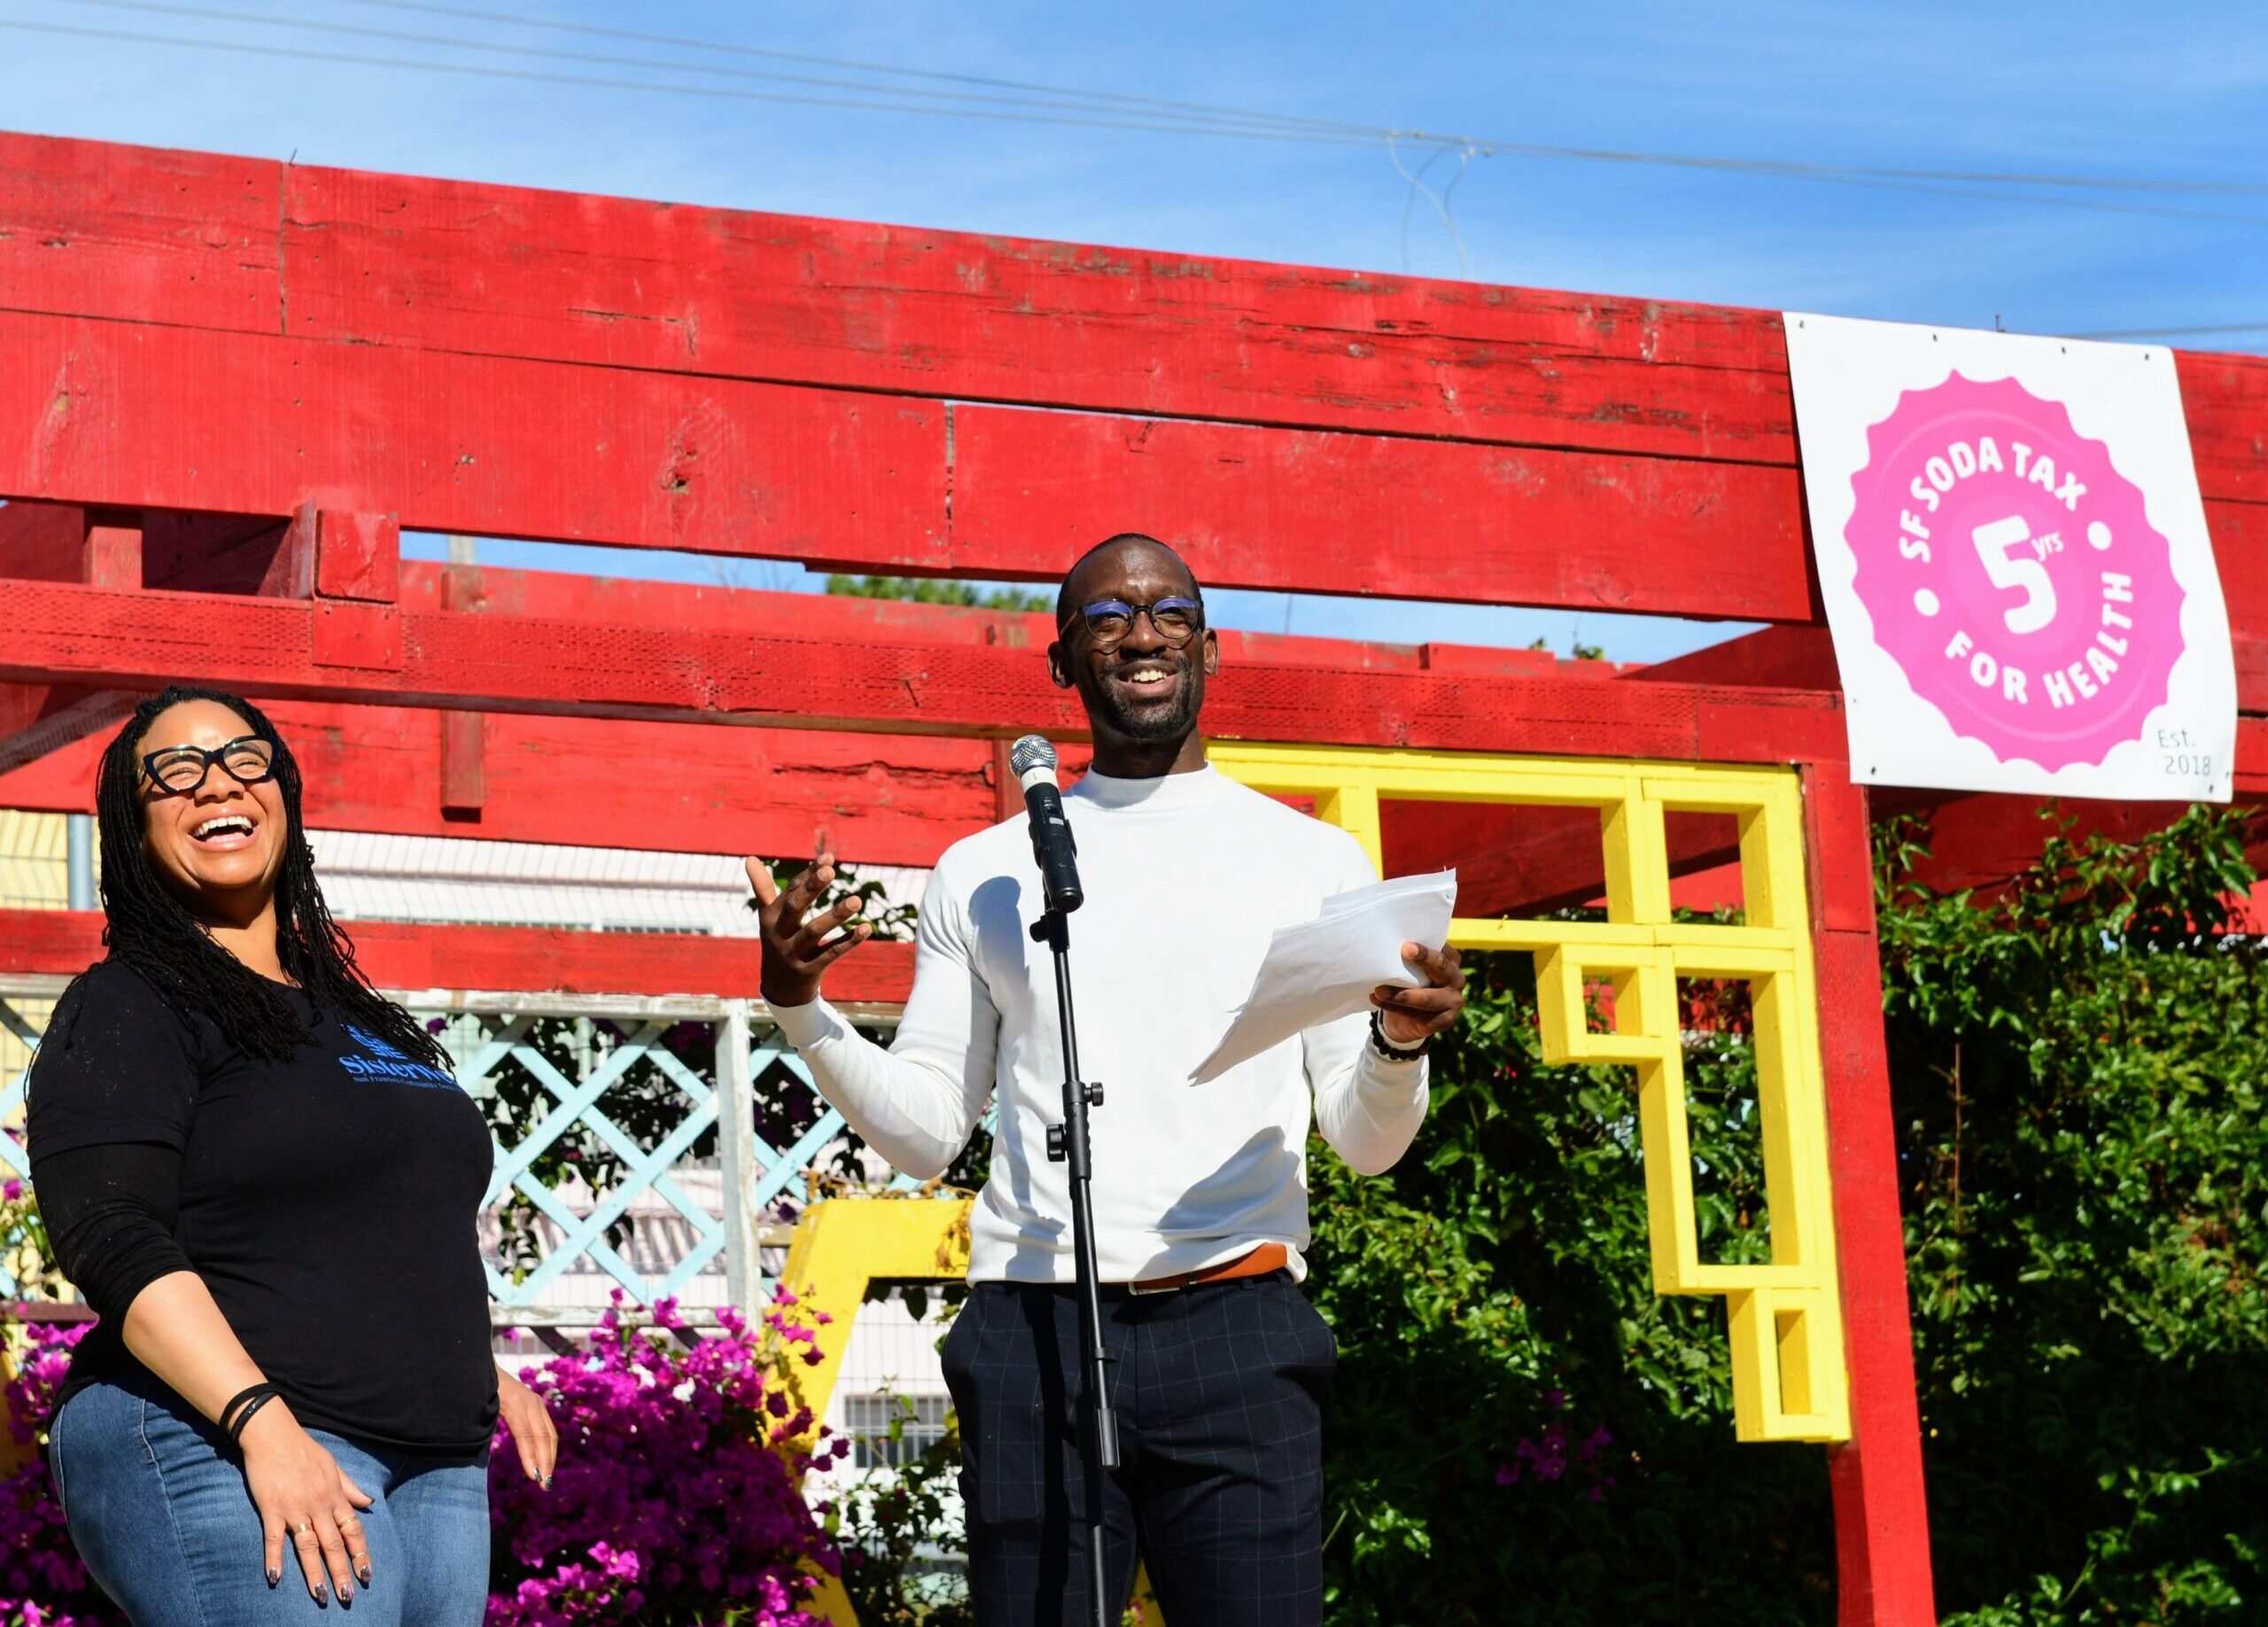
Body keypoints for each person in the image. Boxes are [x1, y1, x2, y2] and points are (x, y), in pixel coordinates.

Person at [746, 534, 1465, 1626]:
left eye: (1169, 610)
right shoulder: (984, 871)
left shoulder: (1312, 861)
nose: (1140, 631)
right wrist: (800, 1008)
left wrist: (1399, 1047)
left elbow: (1362, 1140)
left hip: (1236, 1322)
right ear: (1061, 665)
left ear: (1209, 649)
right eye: (1105, 616)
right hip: (1032, 1332)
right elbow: (929, 1132)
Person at [27, 686, 558, 1625]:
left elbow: (363, 1221)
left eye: (242, 759)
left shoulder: (351, 1016)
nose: (213, 785)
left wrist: (464, 1361)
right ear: (133, 823)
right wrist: (259, 1422)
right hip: (224, 1429)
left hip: (431, 1459)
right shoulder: (129, 1002)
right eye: (174, 773)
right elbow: (111, 1233)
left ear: (284, 788)